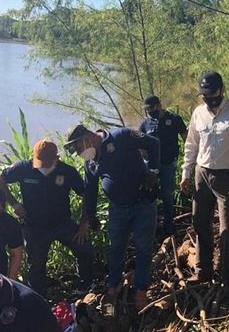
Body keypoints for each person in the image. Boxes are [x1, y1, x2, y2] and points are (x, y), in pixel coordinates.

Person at [63, 124, 160, 312]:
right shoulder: (91, 162)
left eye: (78, 148)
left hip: (142, 204)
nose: (80, 153)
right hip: (118, 211)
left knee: (143, 249)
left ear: (86, 138)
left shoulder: (121, 136)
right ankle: (114, 285)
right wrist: (91, 217)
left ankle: (141, 289)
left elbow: (153, 144)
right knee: (116, 249)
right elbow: (90, 190)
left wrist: (153, 172)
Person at [180, 71, 229, 298]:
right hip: (201, 175)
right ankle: (203, 270)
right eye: (204, 95)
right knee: (200, 222)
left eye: (212, 94)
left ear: (221, 90)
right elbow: (191, 144)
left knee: (227, 230)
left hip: (228, 178)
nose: (209, 99)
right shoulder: (198, 113)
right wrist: (186, 172)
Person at [0, 139, 95, 295]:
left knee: (85, 249)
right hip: (34, 226)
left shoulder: (67, 171)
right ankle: (38, 295)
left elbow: (86, 195)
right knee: (36, 266)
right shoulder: (24, 168)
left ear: (56, 158)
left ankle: (85, 286)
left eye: (47, 162)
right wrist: (14, 203)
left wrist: (83, 223)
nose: (43, 166)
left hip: (63, 224)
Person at [139, 95, 188, 236]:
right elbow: (138, 143)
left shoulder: (174, 119)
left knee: (167, 194)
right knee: (149, 194)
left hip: (167, 163)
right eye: (147, 109)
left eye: (151, 108)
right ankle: (150, 226)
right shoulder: (145, 123)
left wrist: (189, 158)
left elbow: (186, 137)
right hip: (150, 165)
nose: (149, 111)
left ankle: (168, 226)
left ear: (159, 106)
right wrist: (142, 152)